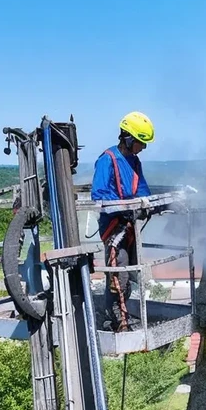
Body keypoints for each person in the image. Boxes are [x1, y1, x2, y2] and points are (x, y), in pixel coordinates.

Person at [91, 111, 155, 331]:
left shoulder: (134, 162)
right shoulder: (107, 160)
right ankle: (117, 319)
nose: (143, 148)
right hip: (114, 226)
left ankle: (120, 315)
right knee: (120, 274)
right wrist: (125, 207)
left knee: (132, 273)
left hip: (130, 226)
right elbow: (99, 194)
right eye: (140, 143)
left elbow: (142, 189)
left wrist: (147, 204)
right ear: (128, 138)